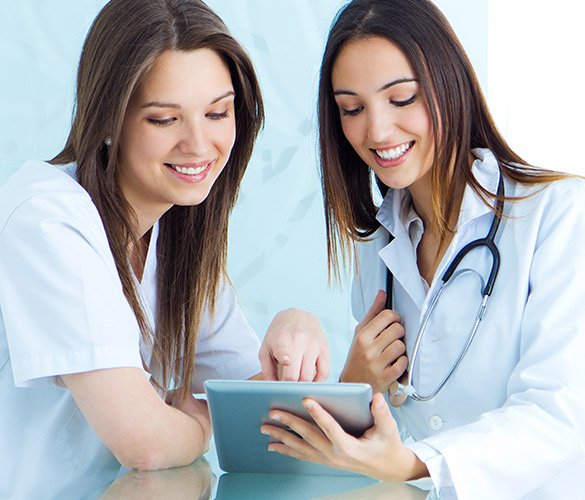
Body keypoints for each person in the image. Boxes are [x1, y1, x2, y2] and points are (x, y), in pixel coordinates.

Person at [0, 0, 328, 497]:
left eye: (217, 112)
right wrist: (200, 428)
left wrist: (297, 323)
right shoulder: (46, 217)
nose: (198, 144)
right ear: (107, 120)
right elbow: (145, 443)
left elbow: (264, 413)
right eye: (163, 119)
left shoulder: (176, 236)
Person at [260, 0, 585, 498]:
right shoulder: (379, 248)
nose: (377, 131)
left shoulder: (559, 216)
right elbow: (377, 445)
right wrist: (357, 383)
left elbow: (559, 413)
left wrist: (415, 463)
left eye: (402, 98)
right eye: (352, 109)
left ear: (449, 85)